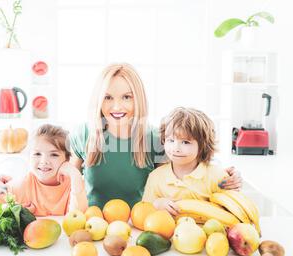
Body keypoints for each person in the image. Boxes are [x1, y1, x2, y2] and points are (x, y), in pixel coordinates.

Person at [69, 63, 242, 209]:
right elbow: (61, 183)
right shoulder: (84, 134)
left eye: (126, 97)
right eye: (107, 97)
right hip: (93, 224)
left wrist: (221, 176)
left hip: (142, 225)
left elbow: (179, 177)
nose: (117, 106)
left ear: (138, 99)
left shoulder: (153, 138)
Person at [142, 107, 237, 215]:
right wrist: (157, 204)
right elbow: (144, 211)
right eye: (171, 140)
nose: (176, 148)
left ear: (202, 145)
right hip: (166, 231)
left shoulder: (216, 176)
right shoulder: (156, 177)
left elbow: (233, 209)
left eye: (185, 142)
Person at [0, 124, 88, 216]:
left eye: (54, 154)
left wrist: (75, 175)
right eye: (37, 154)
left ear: (66, 159)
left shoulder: (75, 185)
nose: (44, 161)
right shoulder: (22, 185)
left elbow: (78, 218)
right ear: (29, 157)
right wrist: (12, 210)